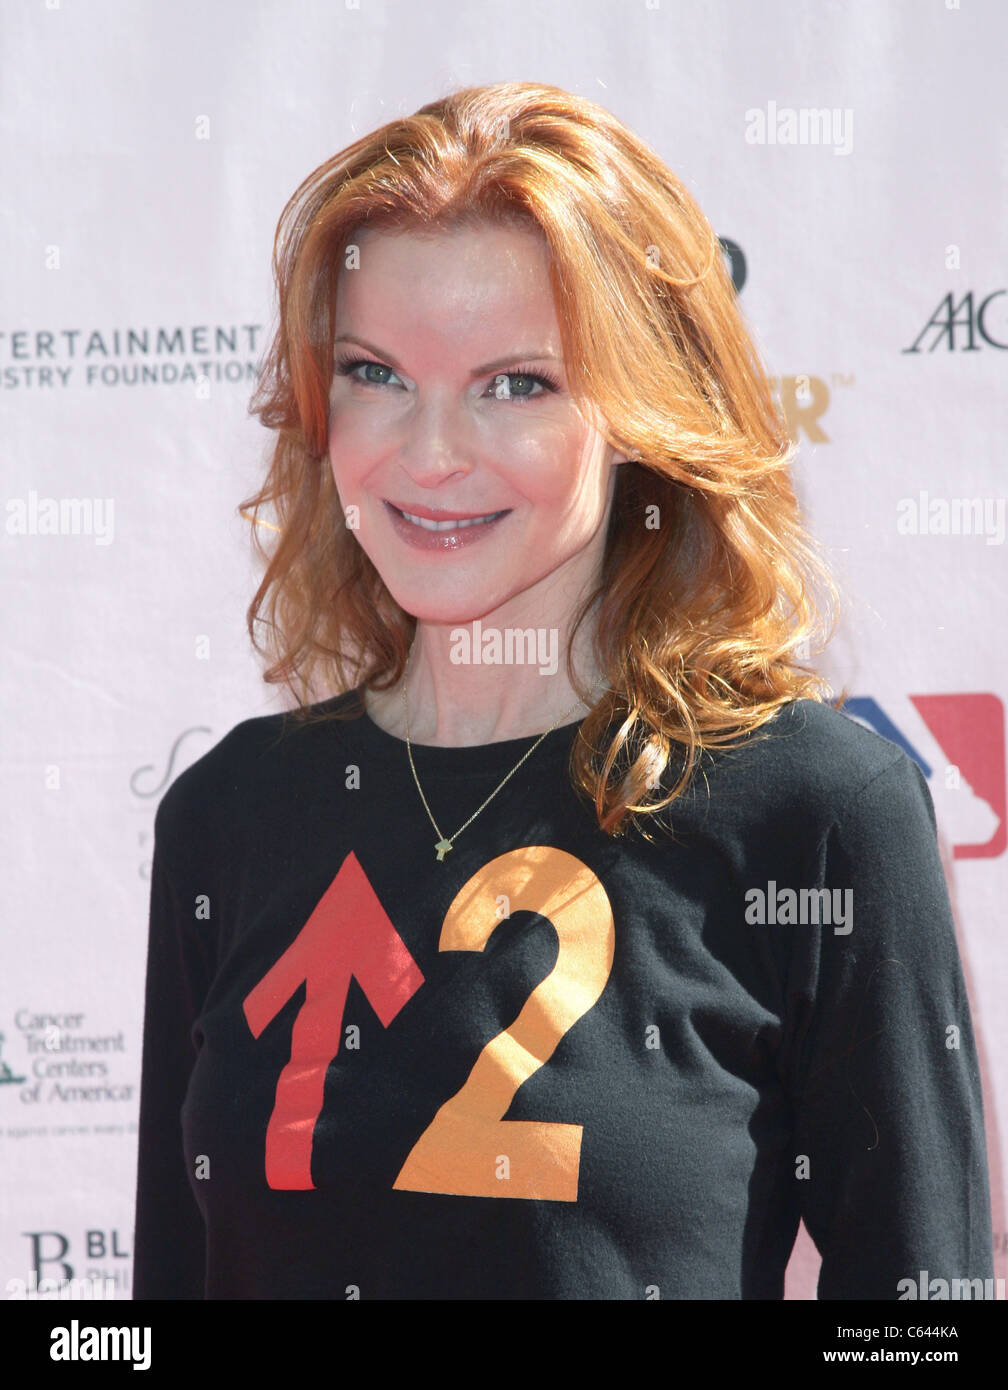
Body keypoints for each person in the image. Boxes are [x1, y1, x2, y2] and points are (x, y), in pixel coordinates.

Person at [133, 81, 993, 1300]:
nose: (429, 453)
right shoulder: (227, 814)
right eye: (376, 372)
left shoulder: (816, 811)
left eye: (515, 383)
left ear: (639, 412)